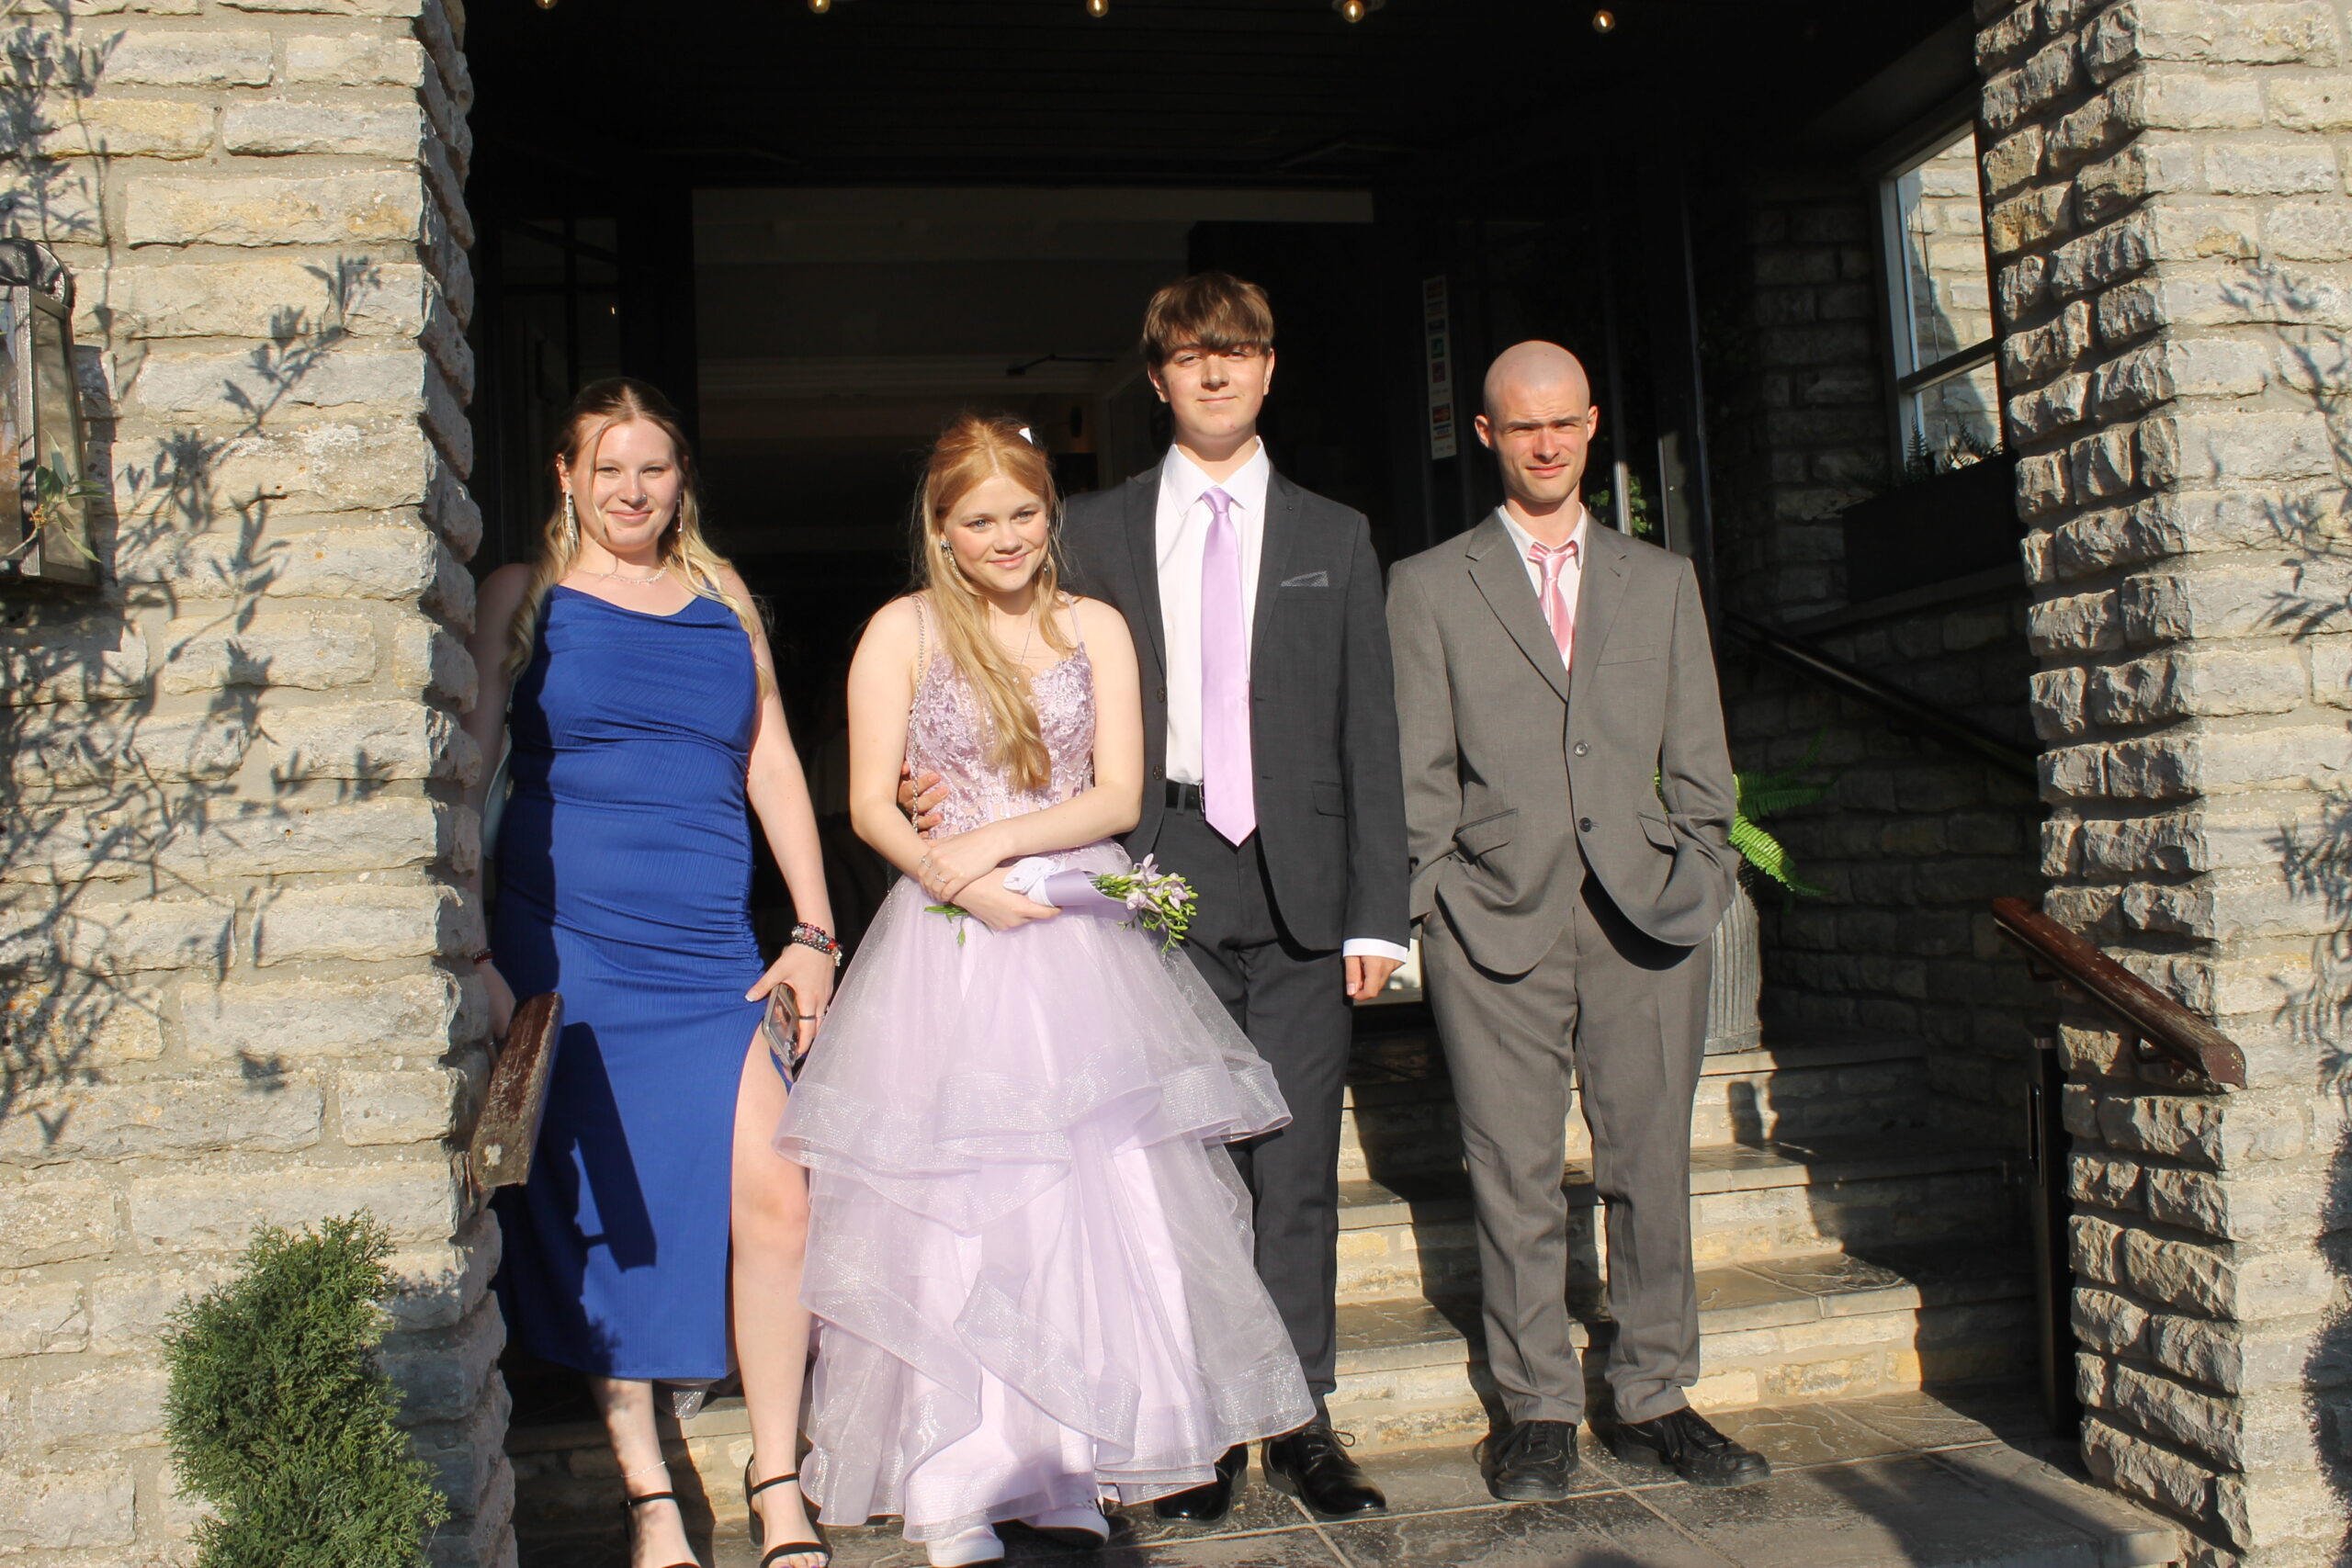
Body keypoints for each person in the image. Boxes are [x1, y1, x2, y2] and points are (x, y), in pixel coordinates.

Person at [914, 273, 1408, 1522]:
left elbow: (1371, 727)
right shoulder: (1095, 528)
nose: (1216, 372)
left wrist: (1377, 911)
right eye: (1192, 356)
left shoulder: (1337, 535)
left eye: (1237, 351)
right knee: (1175, 1168)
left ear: (1270, 367)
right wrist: (937, 780)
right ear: (1158, 378)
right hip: (1151, 863)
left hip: (1303, 886)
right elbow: (1008, 661)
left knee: (1294, 1161)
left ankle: (1298, 1415)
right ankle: (1199, 1419)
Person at [779, 414, 1313, 1568]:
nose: (1007, 537)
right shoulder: (902, 630)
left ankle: (1069, 1461)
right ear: (941, 530)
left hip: (1074, 923)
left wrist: (998, 847)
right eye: (980, 521)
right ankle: (956, 1477)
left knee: (1094, 1188)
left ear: (1048, 512)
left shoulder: (1095, 626)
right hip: (951, 943)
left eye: (1023, 512)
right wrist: (958, 881)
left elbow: (1117, 793)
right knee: (966, 1195)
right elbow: (868, 802)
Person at [464, 378, 839, 1568]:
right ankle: (650, 1497)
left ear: (683, 479)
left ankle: (777, 1478)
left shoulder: (724, 597)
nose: (633, 490)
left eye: (655, 468)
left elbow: (771, 760)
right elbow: (463, 771)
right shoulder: (521, 596)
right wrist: (472, 949)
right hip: (568, 956)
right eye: (608, 467)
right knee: (599, 1220)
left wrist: (814, 931)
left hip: (709, 956)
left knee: (780, 1194)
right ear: (567, 475)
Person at [1386, 342, 1770, 1500]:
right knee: (1511, 1171)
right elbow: (1415, 773)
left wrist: (1702, 870)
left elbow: (1700, 761)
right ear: (1488, 435)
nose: (1545, 444)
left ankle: (1654, 1395)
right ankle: (1538, 1409)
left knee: (1649, 1161)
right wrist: (1433, 898)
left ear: (1592, 424)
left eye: (1563, 423)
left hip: (1644, 917)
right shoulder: (1428, 585)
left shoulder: (1660, 580)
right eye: (1522, 425)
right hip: (1492, 918)